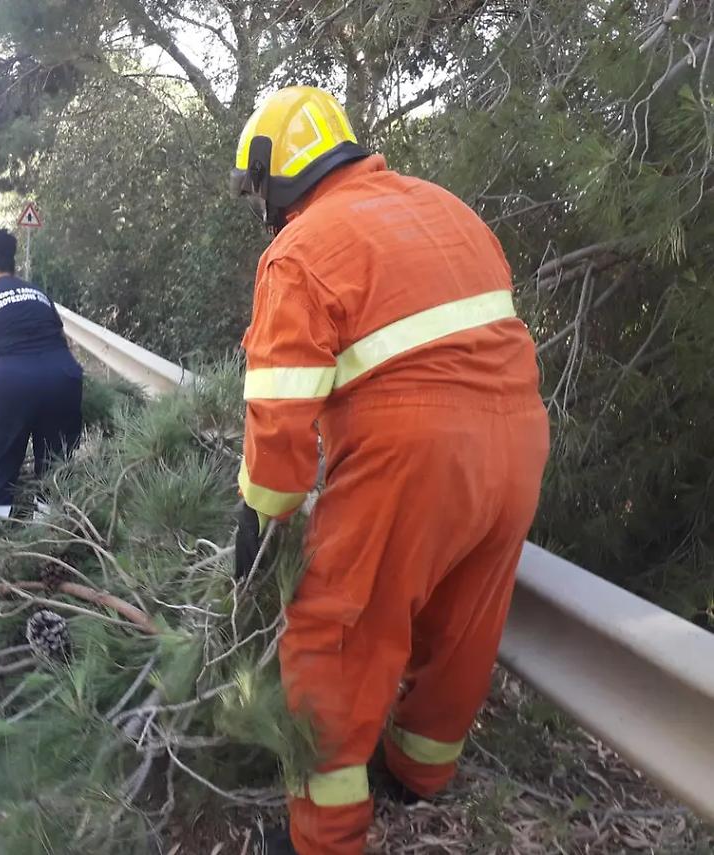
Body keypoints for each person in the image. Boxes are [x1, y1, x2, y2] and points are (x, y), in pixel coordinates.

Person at [229, 86, 550, 854]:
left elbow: (279, 425)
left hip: (411, 456)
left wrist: (255, 534)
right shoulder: (447, 208)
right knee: (462, 621)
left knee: (334, 634)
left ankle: (324, 833)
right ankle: (419, 771)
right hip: (519, 443)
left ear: (278, 178)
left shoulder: (301, 249)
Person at [0, 228, 83, 530]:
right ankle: (48, 540)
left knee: (2, 463)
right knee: (55, 464)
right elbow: (61, 343)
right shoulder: (40, 295)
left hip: (15, 383)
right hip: (65, 378)